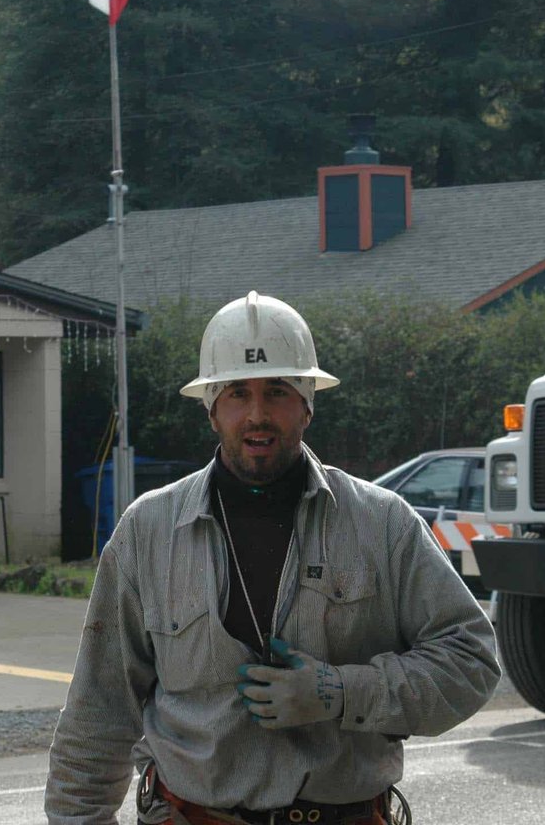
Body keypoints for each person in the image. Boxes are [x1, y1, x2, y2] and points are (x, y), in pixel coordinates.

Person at [45, 291, 501, 825]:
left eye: (277, 392)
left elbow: (471, 661)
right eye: (238, 393)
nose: (258, 415)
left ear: (308, 402)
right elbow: (97, 714)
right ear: (211, 407)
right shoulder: (148, 532)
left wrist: (341, 691)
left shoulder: (382, 524)